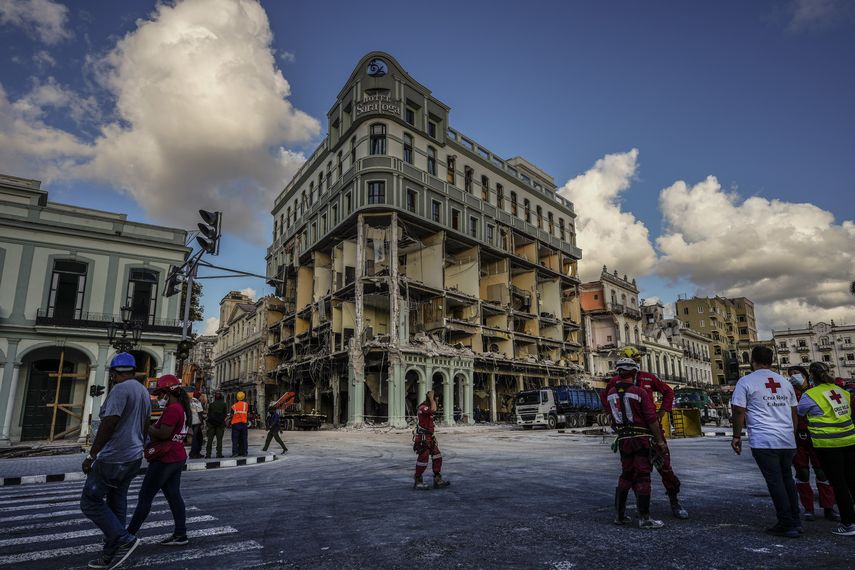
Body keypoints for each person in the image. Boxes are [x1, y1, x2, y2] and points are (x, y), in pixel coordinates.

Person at [80, 352, 150, 569]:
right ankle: (110, 555)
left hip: (114, 457)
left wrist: (92, 454)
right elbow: (146, 423)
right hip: (133, 457)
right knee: (116, 501)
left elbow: (109, 423)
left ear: (114, 373)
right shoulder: (143, 390)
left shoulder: (120, 390)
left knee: (90, 502)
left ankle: (124, 539)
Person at [601, 346, 688, 519]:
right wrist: (615, 419)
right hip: (638, 434)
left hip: (650, 432)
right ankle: (642, 514)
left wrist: (663, 411)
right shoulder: (616, 384)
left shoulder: (647, 378)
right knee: (634, 472)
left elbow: (668, 392)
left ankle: (674, 501)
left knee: (664, 467)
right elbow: (607, 400)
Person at [731, 346, 800, 538]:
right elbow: (794, 412)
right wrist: (791, 435)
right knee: (787, 480)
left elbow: (738, 410)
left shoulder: (746, 381)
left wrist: (736, 436)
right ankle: (796, 520)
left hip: (764, 440)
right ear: (771, 360)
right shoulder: (785, 382)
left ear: (752, 360)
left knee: (775, 481)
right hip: (786, 440)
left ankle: (786, 523)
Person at [127, 374, 190, 546]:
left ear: (168, 393)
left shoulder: (172, 409)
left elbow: (164, 434)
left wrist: (146, 426)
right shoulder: (180, 407)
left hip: (165, 458)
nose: (159, 398)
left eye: (160, 393)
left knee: (145, 496)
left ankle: (127, 536)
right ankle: (180, 534)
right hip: (176, 455)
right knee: (173, 496)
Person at [607, 357, 667, 529]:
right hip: (640, 439)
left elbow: (612, 418)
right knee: (642, 476)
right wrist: (660, 441)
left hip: (624, 440)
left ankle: (619, 516)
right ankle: (645, 518)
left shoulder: (611, 393)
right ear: (633, 373)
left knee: (626, 474)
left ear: (619, 373)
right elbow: (651, 419)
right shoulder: (639, 392)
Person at [797, 362, 855, 536]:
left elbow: (800, 413)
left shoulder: (810, 395)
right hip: (850, 441)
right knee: (853, 481)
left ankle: (848, 524)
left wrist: (804, 388)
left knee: (839, 485)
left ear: (811, 376)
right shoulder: (842, 392)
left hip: (828, 445)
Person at [786, 365, 838, 521]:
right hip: (798, 439)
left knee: (823, 473)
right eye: (791, 374)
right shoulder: (788, 392)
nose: (794, 376)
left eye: (797, 373)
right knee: (802, 473)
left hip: (817, 437)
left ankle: (829, 507)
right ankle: (808, 508)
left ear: (805, 375)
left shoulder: (816, 391)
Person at [413, 390, 450, 490]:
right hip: (423, 438)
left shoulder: (427, 408)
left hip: (430, 437)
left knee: (437, 456)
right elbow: (433, 410)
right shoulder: (423, 408)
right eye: (436, 400)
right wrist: (431, 398)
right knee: (423, 459)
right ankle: (418, 480)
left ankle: (437, 479)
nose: (436, 402)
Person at [205, 391, 227, 459]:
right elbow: (225, 414)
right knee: (219, 440)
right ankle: (219, 454)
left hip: (212, 424)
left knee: (210, 440)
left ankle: (208, 454)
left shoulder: (211, 404)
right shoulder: (224, 404)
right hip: (220, 424)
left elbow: (208, 414)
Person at [228, 391, 249, 457]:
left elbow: (231, 415)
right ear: (244, 397)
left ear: (237, 398)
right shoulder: (246, 405)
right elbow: (248, 413)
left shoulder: (233, 406)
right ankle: (244, 452)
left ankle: (235, 453)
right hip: (244, 424)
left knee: (235, 439)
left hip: (235, 424)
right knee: (244, 439)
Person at [188, 391, 205, 459]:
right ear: (198, 396)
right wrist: (202, 422)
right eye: (200, 395)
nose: (201, 396)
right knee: (197, 438)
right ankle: (194, 453)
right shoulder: (197, 402)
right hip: (197, 422)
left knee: (196, 438)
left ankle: (195, 453)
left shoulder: (190, 402)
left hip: (192, 422)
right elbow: (199, 413)